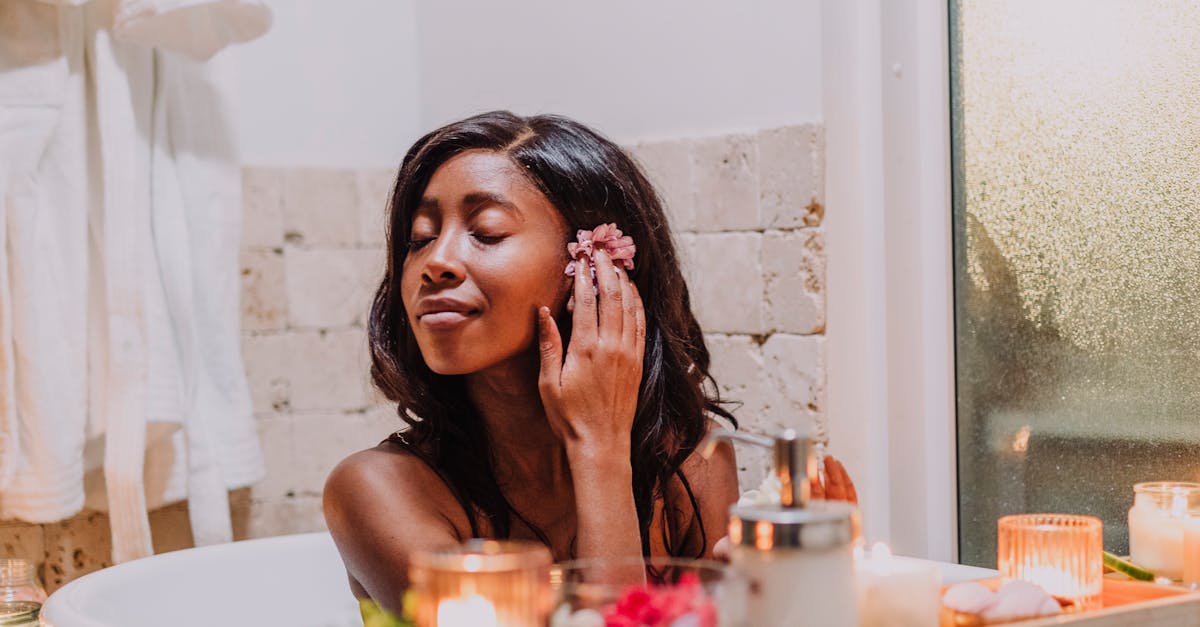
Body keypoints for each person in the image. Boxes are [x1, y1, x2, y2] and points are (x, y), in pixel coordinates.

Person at [322, 111, 856, 614]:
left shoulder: (690, 465)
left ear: (595, 268)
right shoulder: (376, 492)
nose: (434, 261)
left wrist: (761, 602)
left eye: (486, 232)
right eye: (420, 238)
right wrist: (597, 445)